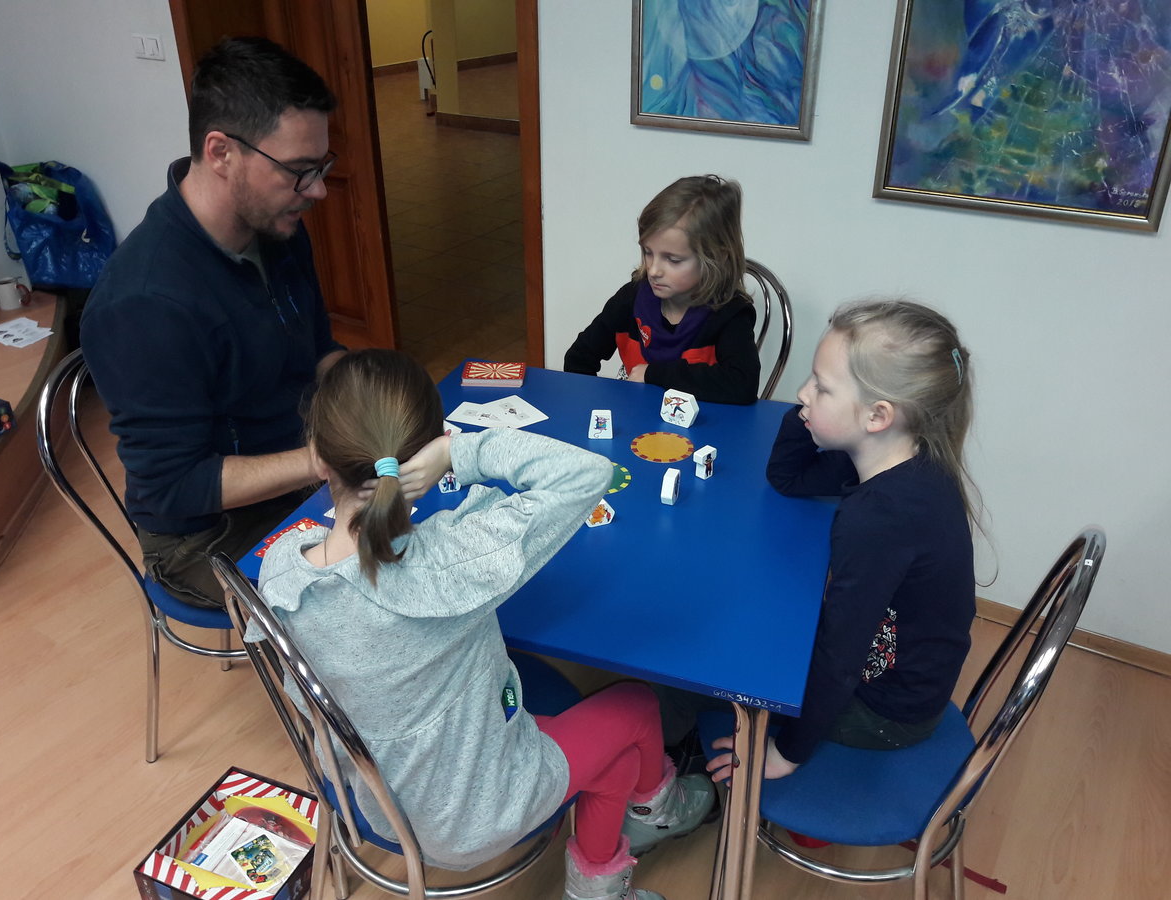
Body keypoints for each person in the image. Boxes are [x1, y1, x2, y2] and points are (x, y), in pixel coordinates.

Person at [258, 349, 717, 900]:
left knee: (612, 761)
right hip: (476, 815)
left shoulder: (280, 569)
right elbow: (588, 474)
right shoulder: (450, 564)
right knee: (638, 706)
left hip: (374, 802)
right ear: (426, 448)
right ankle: (656, 811)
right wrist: (460, 451)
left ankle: (612, 860)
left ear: (319, 459)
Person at [80, 37, 369, 609]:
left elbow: (317, 351)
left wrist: (376, 392)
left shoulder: (278, 229)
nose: (317, 190)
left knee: (429, 521)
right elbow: (174, 486)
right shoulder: (144, 302)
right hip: (205, 535)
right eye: (299, 171)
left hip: (297, 471)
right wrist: (322, 461)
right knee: (370, 595)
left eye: (321, 167)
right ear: (220, 152)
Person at [706, 298, 978, 784]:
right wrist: (811, 411)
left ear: (877, 416)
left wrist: (785, 753)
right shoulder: (898, 456)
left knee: (723, 664)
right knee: (757, 623)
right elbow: (789, 478)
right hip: (894, 673)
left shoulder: (880, 517)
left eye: (821, 386)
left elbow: (840, 658)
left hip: (885, 711)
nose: (801, 393)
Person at [563, 175, 760, 404]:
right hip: (634, 419)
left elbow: (742, 384)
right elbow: (578, 358)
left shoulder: (730, 315)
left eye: (673, 260)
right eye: (648, 252)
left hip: (705, 425)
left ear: (715, 257)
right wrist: (596, 409)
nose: (654, 270)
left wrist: (653, 374)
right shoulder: (630, 299)